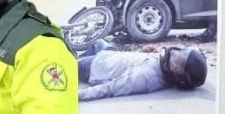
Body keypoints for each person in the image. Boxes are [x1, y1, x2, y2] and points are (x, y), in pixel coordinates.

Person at [77, 39, 207, 101]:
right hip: (111, 55)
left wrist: (79, 95)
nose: (174, 55)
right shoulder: (162, 67)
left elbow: (111, 88)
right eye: (179, 54)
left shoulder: (146, 78)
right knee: (99, 42)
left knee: (71, 62)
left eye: (177, 63)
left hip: (95, 66)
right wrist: (143, 53)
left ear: (179, 79)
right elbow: (138, 64)